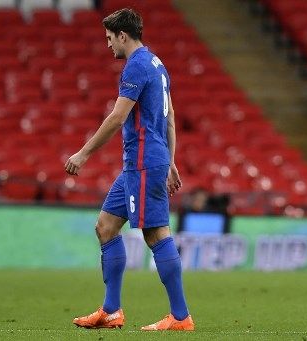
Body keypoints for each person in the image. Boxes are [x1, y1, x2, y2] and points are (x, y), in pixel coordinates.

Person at [65, 8, 194, 331]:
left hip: (144, 162)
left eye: (110, 39)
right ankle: (111, 310)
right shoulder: (157, 63)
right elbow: (170, 117)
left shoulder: (136, 66)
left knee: (155, 233)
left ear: (123, 35)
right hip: (143, 162)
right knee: (106, 226)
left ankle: (180, 317)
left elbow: (117, 117)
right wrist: (172, 160)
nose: (108, 45)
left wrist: (83, 154)